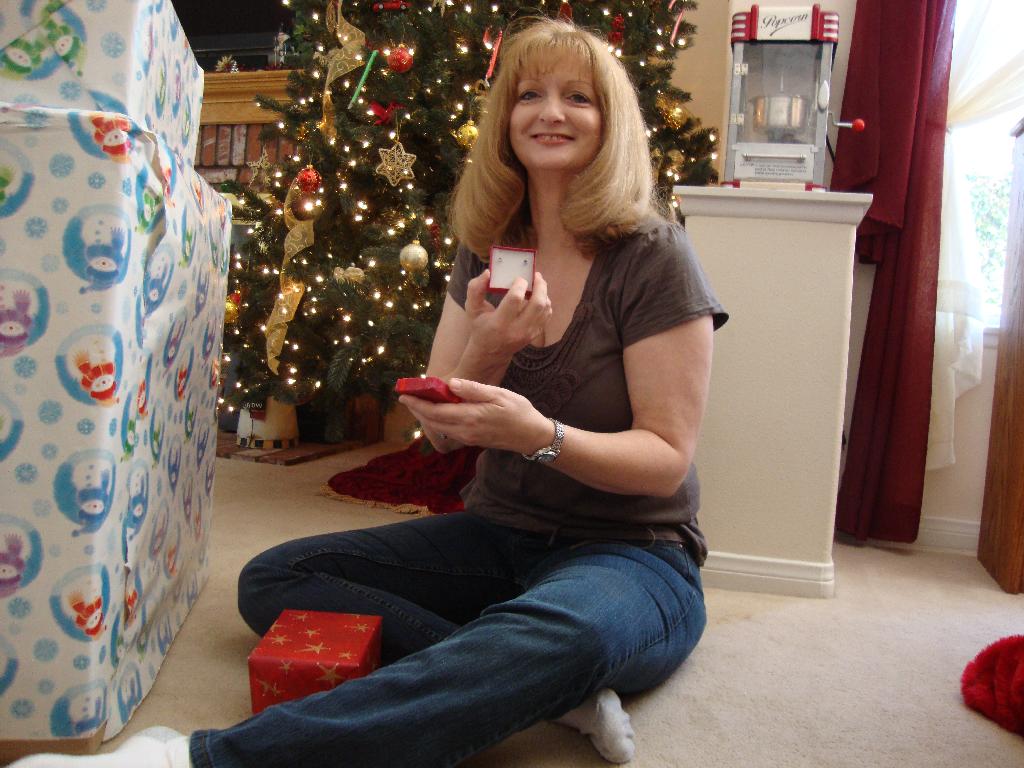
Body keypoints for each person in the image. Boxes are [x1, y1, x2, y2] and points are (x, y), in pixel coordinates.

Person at [12, 16, 727, 768]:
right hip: (498, 536)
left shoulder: (653, 254)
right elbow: (443, 433)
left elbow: (665, 461)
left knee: (568, 633)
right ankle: (543, 685)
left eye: (577, 97)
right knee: (276, 578)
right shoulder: (490, 244)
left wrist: (534, 434)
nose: (550, 112)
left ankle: (191, 761)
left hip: (633, 555)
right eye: (529, 95)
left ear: (610, 122)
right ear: (504, 118)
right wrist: (490, 348)